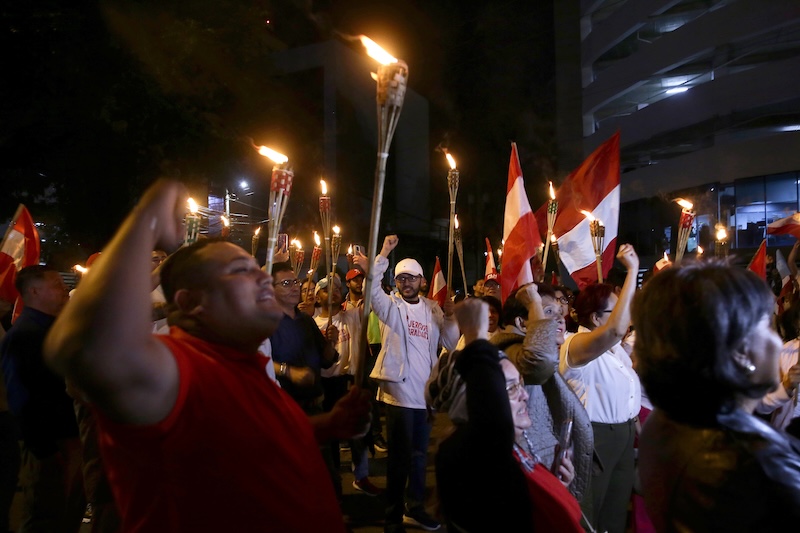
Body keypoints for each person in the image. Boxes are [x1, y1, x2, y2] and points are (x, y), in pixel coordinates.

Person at [43, 179, 369, 532]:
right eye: (240, 271)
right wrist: (147, 217)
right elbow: (82, 346)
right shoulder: (178, 371)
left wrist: (327, 426)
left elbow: (247, 438)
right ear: (188, 303)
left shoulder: (244, 364)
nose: (263, 278)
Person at [634, 261, 800, 530]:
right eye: (766, 325)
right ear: (739, 351)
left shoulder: (669, 419)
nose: (778, 342)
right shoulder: (754, 464)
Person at [435, 298, 583, 532]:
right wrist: (475, 334)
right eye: (511, 388)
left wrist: (553, 490)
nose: (524, 395)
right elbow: (490, 424)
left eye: (520, 384)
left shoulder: (514, 449)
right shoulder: (469, 455)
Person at [355, 236, 459, 533]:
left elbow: (450, 342)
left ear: (422, 281)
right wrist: (384, 253)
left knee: (418, 457)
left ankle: (414, 508)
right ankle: (392, 516)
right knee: (399, 459)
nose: (405, 283)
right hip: (399, 393)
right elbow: (372, 289)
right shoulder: (389, 307)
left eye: (411, 278)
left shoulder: (432, 309)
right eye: (400, 279)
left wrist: (450, 316)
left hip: (425, 395)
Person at [559, 244, 641, 533]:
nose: (625, 316)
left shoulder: (616, 351)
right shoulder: (575, 345)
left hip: (623, 435)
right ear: (595, 318)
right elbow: (617, 329)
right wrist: (632, 271)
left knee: (615, 514)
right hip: (595, 439)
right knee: (589, 514)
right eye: (617, 309)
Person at [492, 284, 592, 509]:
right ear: (521, 322)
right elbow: (540, 361)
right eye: (548, 313)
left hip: (544, 472)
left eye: (559, 314)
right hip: (528, 475)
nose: (559, 320)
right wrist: (534, 303)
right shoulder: (513, 354)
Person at [0, 265, 84, 533]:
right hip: (49, 446)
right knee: (45, 513)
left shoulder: (52, 328)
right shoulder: (26, 335)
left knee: (63, 512)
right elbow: (21, 397)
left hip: (64, 441)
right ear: (34, 291)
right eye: (57, 285)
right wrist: (44, 450)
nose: (64, 290)